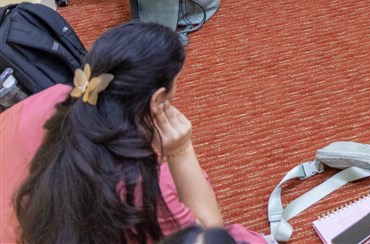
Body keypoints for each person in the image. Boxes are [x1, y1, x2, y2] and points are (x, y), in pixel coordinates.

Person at [0, 22, 265, 243]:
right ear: (158, 99)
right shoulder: (142, 181)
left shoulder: (52, 97)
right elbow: (209, 234)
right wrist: (181, 151)